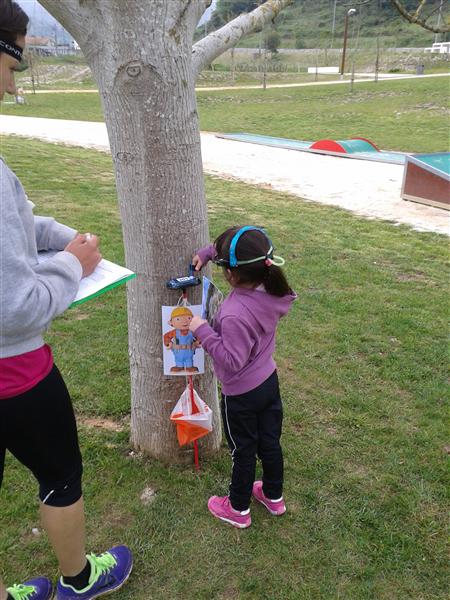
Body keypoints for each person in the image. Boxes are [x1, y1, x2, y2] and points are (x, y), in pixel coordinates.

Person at [0, 3, 133, 599]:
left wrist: (53, 237)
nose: (16, 75)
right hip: (15, 373)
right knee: (60, 474)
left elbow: (14, 223)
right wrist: (71, 266)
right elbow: (16, 306)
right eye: (18, 55)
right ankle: (80, 580)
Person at [189, 225, 296, 528]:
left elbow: (231, 360)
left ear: (232, 275)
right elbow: (244, 250)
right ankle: (274, 497)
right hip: (268, 384)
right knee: (270, 442)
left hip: (241, 395)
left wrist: (202, 330)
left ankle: (237, 508)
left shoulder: (234, 312)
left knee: (244, 451)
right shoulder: (272, 289)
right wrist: (209, 253)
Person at [163, 306, 200, 373]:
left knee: (189, 360)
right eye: (178, 319)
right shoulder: (174, 332)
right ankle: (179, 366)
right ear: (170, 322)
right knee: (178, 360)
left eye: (188, 318)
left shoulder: (192, 332)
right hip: (178, 351)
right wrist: (169, 343)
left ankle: (190, 367)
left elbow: (199, 336)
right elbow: (166, 336)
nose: (184, 321)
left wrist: (198, 342)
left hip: (189, 351)